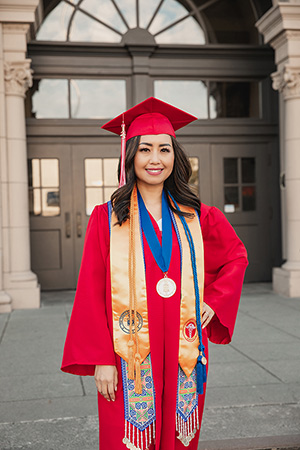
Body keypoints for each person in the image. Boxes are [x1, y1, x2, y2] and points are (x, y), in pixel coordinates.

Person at [61, 97, 248, 450]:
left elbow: (236, 255)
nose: (155, 159)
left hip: (183, 347)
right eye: (145, 149)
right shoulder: (108, 218)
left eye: (164, 149)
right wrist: (101, 359)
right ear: (130, 154)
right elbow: (90, 290)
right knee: (127, 439)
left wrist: (215, 299)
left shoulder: (197, 215)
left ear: (175, 157)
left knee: (178, 438)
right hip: (127, 353)